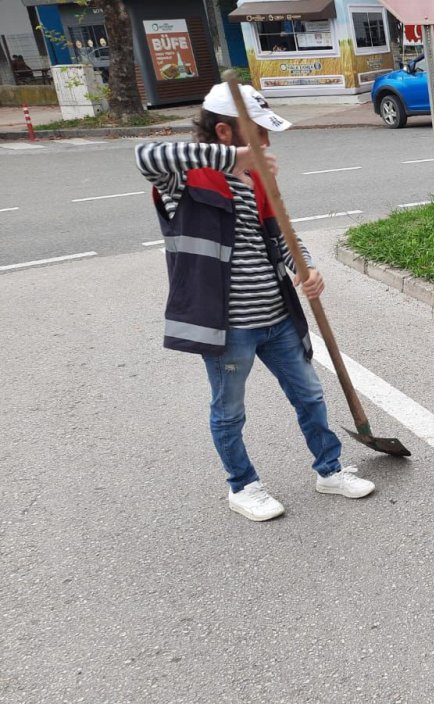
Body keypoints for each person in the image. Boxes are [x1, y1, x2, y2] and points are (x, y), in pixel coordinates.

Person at [135, 82, 375, 522]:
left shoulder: (257, 180)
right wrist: (237, 159)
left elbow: (280, 231)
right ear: (225, 133)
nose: (266, 143)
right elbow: (145, 155)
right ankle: (242, 486)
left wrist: (307, 266)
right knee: (229, 412)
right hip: (226, 326)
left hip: (277, 317)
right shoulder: (183, 179)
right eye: (258, 133)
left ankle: (330, 469)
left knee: (310, 396)